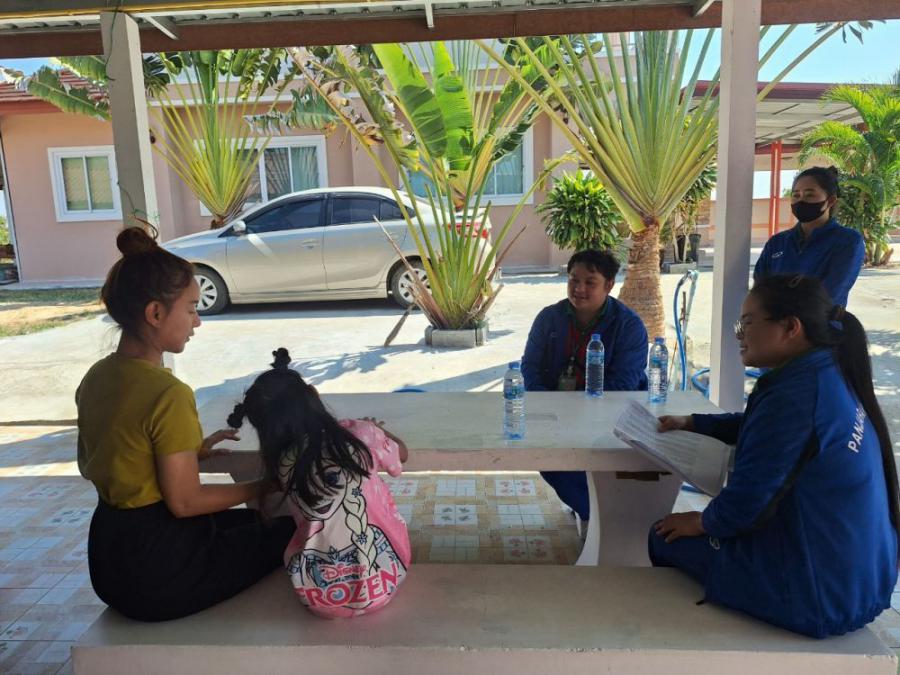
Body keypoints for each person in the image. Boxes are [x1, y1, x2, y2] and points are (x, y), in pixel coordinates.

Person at [649, 274, 898, 638]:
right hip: (862, 583)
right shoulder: (824, 373)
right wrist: (694, 422)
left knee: (662, 535)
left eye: (747, 323)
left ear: (790, 328)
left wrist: (701, 522)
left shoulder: (794, 396)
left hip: (820, 599)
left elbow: (746, 503)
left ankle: (688, 641)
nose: (739, 334)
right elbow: (766, 430)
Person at [77, 226, 294, 622]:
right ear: (156, 313)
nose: (198, 322)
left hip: (108, 558)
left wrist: (192, 451)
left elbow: (120, 453)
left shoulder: (97, 377)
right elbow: (186, 502)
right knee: (288, 528)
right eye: (192, 309)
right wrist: (266, 485)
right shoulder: (167, 392)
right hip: (159, 572)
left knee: (249, 524)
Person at [227, 348, 411, 618]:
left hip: (315, 597)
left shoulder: (281, 463)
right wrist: (378, 430)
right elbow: (401, 455)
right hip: (388, 577)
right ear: (313, 394)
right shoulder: (361, 435)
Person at [522, 249, 649, 522]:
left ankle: (608, 518)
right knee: (547, 458)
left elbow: (624, 385)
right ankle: (598, 514)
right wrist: (548, 405)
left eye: (590, 282)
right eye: (573, 280)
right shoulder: (549, 318)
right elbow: (530, 367)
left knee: (602, 465)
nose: (579, 289)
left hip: (612, 418)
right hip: (556, 415)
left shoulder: (629, 326)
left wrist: (578, 410)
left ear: (609, 285)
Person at [754, 166, 865, 306]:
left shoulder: (848, 241)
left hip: (820, 320)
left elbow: (829, 295)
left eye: (809, 195)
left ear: (830, 201)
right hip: (773, 319)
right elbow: (759, 290)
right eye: (796, 195)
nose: (801, 201)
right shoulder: (777, 242)